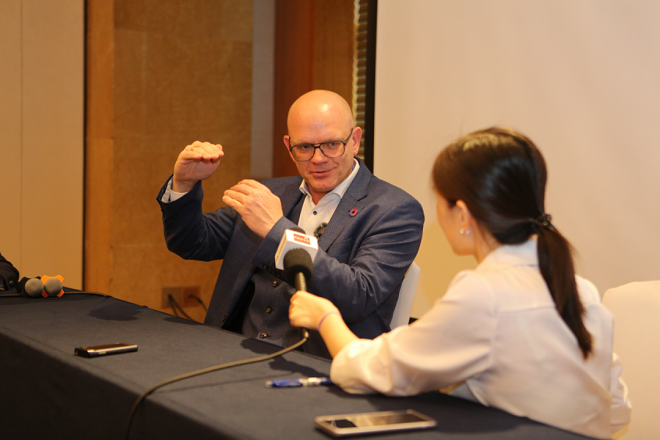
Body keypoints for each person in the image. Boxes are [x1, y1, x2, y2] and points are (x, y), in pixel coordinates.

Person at [289, 127, 631, 438]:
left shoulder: (484, 294)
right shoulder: (578, 288)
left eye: (439, 200)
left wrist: (324, 317)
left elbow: (372, 370)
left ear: (463, 214)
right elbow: (616, 408)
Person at [157, 90, 424, 357]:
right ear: (289, 146)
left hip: (320, 363)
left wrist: (277, 230)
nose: (318, 158)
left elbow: (358, 296)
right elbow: (193, 243)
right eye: (305, 147)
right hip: (234, 350)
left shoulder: (394, 209)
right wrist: (184, 184)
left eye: (332, 144)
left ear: (354, 141)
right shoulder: (273, 191)